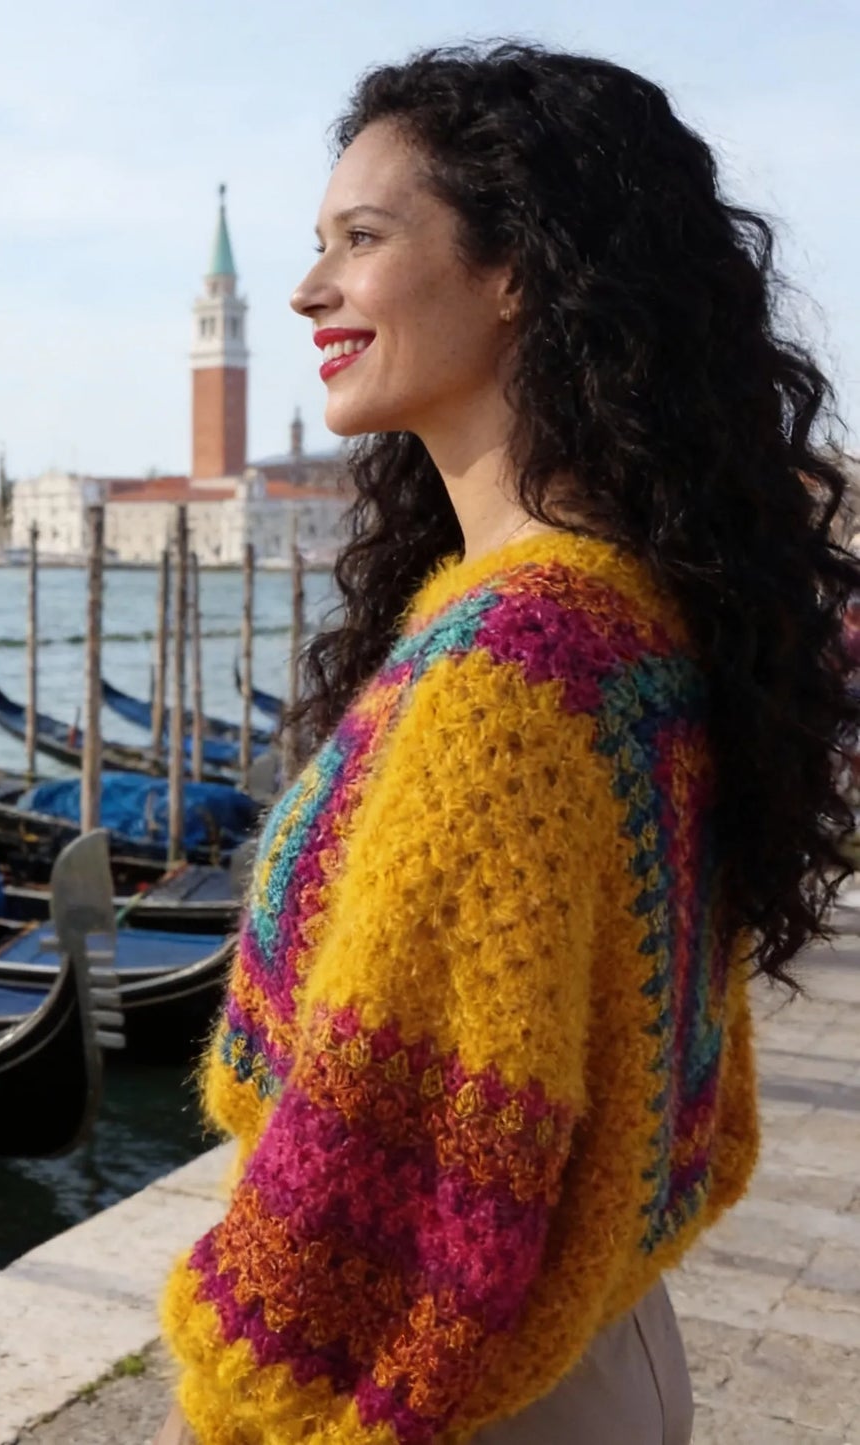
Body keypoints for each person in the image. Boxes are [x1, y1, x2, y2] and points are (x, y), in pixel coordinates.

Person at [154, 43, 860, 1445]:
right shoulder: (628, 611)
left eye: (362, 239)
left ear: (516, 269)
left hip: (439, 1392)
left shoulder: (509, 667)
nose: (310, 290)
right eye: (311, 247)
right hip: (591, 1344)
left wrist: (233, 1411)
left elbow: (393, 1188)